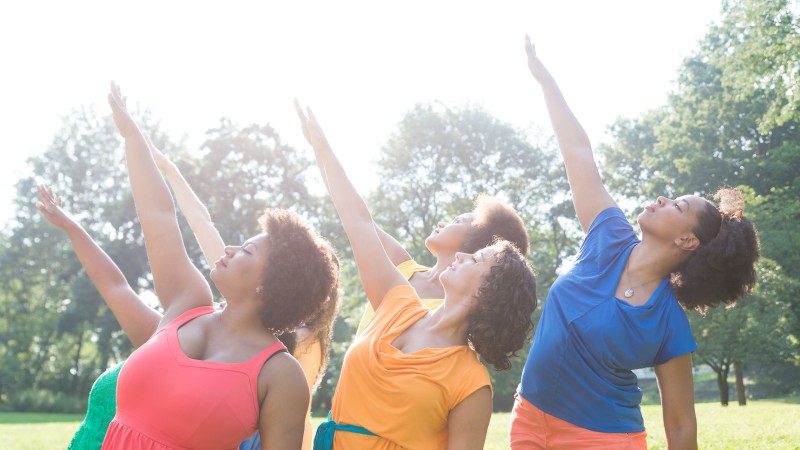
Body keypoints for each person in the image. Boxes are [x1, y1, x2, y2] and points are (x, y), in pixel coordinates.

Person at [511, 36, 760, 449]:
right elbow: (578, 151)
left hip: (605, 438)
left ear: (687, 240)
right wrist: (544, 79)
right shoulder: (608, 236)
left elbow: (681, 427)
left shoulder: (667, 322)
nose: (662, 198)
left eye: (677, 205)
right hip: (528, 422)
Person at [101, 83, 339, 449]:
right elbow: (158, 215)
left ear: (268, 284)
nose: (229, 249)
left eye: (246, 250)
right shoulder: (187, 302)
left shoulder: (281, 374)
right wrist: (131, 136)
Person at [295, 101, 538, 450]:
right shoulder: (398, 300)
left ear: (487, 290)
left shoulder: (471, 383)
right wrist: (322, 148)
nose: (462, 255)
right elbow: (359, 221)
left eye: (476, 258)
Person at [354, 193, 530, 338]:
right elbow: (357, 217)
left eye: (457, 221)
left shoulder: (451, 318)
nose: (441, 224)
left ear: (476, 241)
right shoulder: (404, 268)